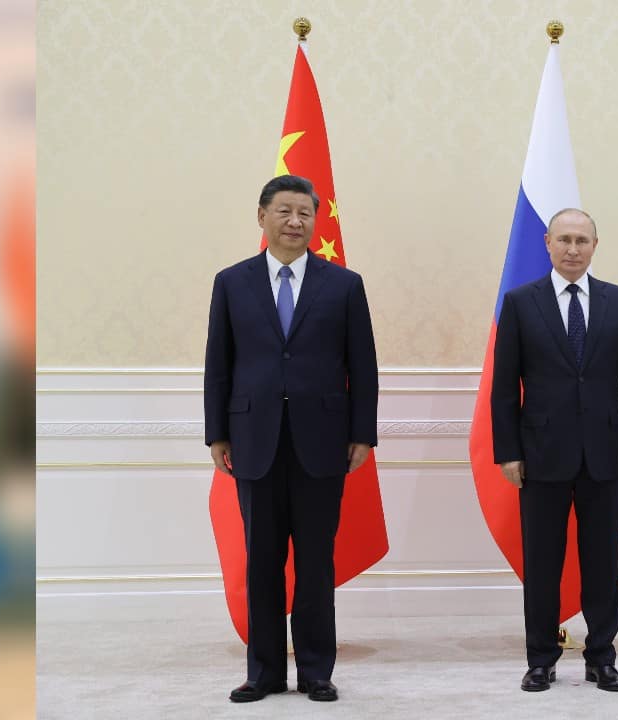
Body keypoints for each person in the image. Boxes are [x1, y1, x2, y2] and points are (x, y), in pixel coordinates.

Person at [204, 174, 378, 703]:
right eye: (284, 211)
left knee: (315, 562)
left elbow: (362, 367)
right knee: (261, 560)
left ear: (314, 221)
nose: (295, 222)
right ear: (262, 217)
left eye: (305, 213)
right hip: (253, 439)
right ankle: (263, 672)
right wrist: (217, 433)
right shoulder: (231, 283)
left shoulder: (344, 285)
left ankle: (316, 671)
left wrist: (362, 435)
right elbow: (220, 364)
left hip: (323, 442)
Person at [491, 208, 618, 693]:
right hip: (540, 455)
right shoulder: (521, 303)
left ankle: (601, 656)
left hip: (606, 455)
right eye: (564, 239)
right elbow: (504, 388)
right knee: (542, 563)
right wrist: (508, 452)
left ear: (595, 245)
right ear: (547, 243)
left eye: (582, 240)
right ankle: (540, 658)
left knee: (603, 564)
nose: (573, 249)